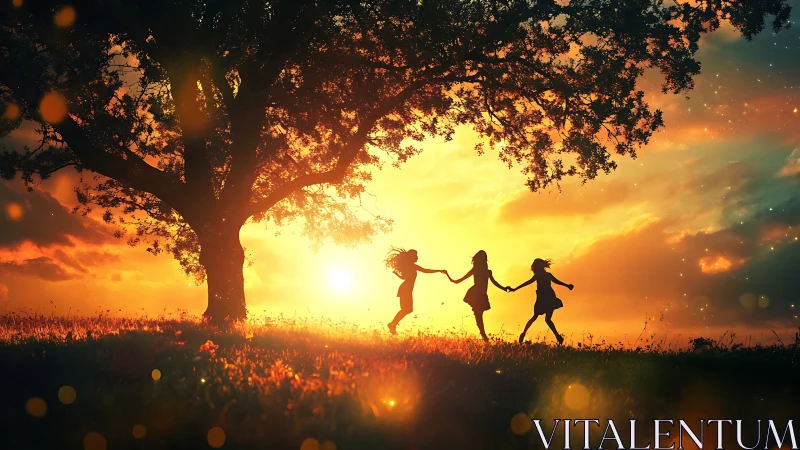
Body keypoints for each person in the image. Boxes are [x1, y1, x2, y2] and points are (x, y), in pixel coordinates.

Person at [446, 250, 511, 343]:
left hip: (478, 294)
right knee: (478, 316)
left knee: (478, 317)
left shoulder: (482, 271)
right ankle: (485, 339)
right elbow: (495, 283)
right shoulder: (485, 271)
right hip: (477, 294)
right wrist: (504, 288)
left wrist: (505, 288)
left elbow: (457, 281)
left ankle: (485, 338)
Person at [384, 247, 447, 335]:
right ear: (411, 257)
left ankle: (393, 324)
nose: (417, 257)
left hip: (406, 289)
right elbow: (425, 270)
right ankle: (392, 324)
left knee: (407, 309)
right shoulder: (412, 266)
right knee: (407, 309)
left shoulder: (409, 266)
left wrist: (397, 274)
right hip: (405, 290)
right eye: (416, 255)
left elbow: (404, 277)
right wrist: (439, 270)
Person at [510, 258, 573, 345]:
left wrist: (515, 289)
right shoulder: (547, 275)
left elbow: (527, 283)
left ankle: (523, 334)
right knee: (547, 319)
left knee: (536, 316)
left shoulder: (539, 276)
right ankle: (558, 337)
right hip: (549, 297)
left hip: (544, 298)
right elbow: (557, 281)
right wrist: (567, 285)